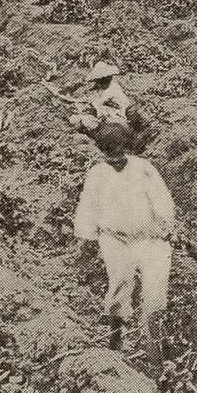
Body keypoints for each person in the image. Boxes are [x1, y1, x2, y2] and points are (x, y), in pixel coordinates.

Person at [73, 123, 176, 362]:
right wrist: (87, 235)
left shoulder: (143, 168)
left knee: (155, 294)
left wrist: (166, 227)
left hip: (149, 238)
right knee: (120, 281)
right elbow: (88, 207)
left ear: (125, 147)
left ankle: (154, 348)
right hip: (115, 239)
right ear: (102, 151)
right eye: (109, 151)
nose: (115, 156)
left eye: (119, 149)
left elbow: (161, 200)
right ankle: (116, 332)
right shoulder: (97, 174)